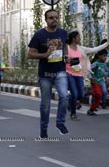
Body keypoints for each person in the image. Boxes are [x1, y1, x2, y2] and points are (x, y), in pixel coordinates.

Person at [27, 9, 69, 138]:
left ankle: (60, 123)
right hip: (45, 74)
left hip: (60, 71)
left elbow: (65, 46)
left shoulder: (63, 33)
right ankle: (43, 128)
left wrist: (66, 56)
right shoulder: (39, 34)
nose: (54, 20)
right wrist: (44, 55)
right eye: (51, 18)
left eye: (56, 17)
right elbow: (30, 54)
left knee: (64, 96)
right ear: (46, 20)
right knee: (45, 104)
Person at [66, 31, 108, 120]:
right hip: (69, 74)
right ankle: (73, 113)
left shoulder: (81, 49)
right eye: (78, 37)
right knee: (75, 93)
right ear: (74, 39)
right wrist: (71, 61)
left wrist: (107, 43)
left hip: (79, 74)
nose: (80, 39)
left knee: (81, 94)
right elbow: (63, 60)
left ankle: (70, 101)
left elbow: (95, 49)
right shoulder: (67, 49)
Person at [88, 49, 108, 116]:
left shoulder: (104, 64)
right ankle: (91, 93)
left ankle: (91, 110)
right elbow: (88, 70)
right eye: (103, 56)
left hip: (101, 81)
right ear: (99, 56)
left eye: (106, 56)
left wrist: (106, 77)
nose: (105, 57)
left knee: (98, 98)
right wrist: (91, 77)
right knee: (98, 94)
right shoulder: (96, 63)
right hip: (95, 81)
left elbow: (104, 72)